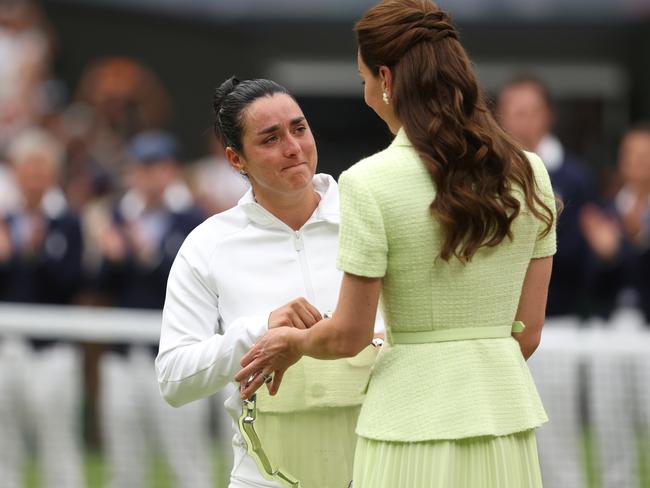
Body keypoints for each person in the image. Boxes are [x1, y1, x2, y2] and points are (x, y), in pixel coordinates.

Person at [236, 2, 556, 487]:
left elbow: (349, 334)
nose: (365, 92)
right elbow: (527, 334)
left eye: (363, 77)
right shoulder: (530, 171)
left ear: (386, 78)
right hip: (504, 423)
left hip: (406, 427)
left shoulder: (368, 182)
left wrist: (294, 343)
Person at [156, 77, 381, 488]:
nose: (293, 147)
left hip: (383, 469)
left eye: (299, 128)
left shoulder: (371, 215)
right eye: (270, 138)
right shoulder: (208, 244)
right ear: (235, 158)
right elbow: (173, 378)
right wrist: (262, 331)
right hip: (264, 477)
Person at [96, 130, 213, 488]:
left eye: (157, 166)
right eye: (142, 167)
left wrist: (145, 254)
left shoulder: (193, 217)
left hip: (179, 354)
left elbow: (194, 282)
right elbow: (102, 286)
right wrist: (111, 258)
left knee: (186, 458)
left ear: (172, 169)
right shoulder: (118, 214)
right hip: (124, 354)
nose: (149, 175)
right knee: (124, 462)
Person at [496, 73, 597, 488]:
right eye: (512, 112)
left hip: (559, 327)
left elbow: (581, 253)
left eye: (529, 111)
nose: (521, 122)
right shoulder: (486, 171)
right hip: (500, 332)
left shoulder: (576, 177)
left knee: (556, 445)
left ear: (548, 116)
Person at [0, 127, 84, 488]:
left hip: (53, 350)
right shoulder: (4, 221)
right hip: (7, 347)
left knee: (57, 441)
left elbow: (71, 282)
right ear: (15, 172)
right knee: (6, 444)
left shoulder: (67, 222)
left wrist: (37, 251)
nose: (34, 175)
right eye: (27, 167)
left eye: (41, 167)